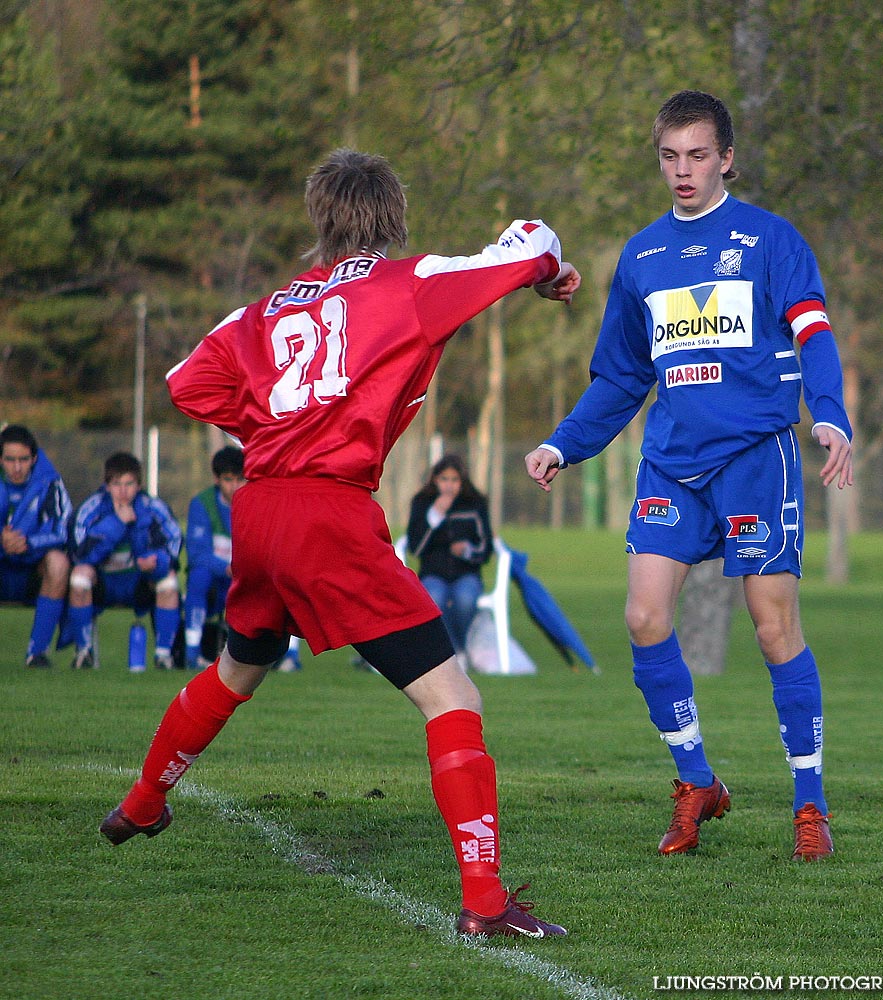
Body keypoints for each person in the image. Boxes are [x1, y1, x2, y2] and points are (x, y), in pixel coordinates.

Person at [100, 149, 580, 938]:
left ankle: (142, 803)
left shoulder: (261, 313)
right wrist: (546, 273)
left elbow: (185, 382)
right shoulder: (408, 283)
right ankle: (485, 905)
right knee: (452, 698)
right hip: (330, 511)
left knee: (234, 672)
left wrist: (270, 422)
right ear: (392, 217)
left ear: (317, 217)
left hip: (260, 513)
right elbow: (529, 238)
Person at [525, 91, 853, 863]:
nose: (682, 170)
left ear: (726, 158)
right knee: (642, 618)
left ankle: (809, 804)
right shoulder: (640, 257)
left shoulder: (770, 240)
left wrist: (828, 413)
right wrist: (562, 445)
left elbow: (814, 334)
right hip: (671, 462)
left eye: (697, 155)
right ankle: (695, 782)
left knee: (774, 630)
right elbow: (618, 379)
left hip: (754, 458)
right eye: (670, 156)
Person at [67, 451, 183, 670]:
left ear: (139, 485)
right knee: (79, 576)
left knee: (169, 580)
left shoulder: (153, 508)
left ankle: (164, 656)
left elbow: (174, 543)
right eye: (116, 484)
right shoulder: (91, 509)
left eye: (129, 484)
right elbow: (79, 553)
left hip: (139, 583)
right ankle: (83, 653)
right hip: (102, 583)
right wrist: (116, 523)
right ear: (107, 485)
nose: (122, 491)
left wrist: (155, 561)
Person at [406, 454, 493, 663]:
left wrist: (467, 551)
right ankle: (452, 653)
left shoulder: (474, 503)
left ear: (462, 482)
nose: (449, 486)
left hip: (466, 573)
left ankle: (459, 647)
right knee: (435, 598)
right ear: (435, 480)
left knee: (465, 599)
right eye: (444, 479)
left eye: (454, 480)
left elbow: (486, 547)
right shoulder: (422, 502)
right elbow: (415, 548)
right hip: (433, 573)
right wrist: (434, 516)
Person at [0, 424, 72, 668]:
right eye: (10, 460)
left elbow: (63, 531)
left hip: (32, 568)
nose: (17, 467)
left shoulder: (50, 483)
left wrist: (27, 542)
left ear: (34, 458)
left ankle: (36, 653)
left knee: (59, 563)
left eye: (23, 459)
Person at [183, 445, 245, 670]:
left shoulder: (254, 502)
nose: (235, 486)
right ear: (217, 479)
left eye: (240, 479)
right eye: (229, 479)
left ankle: (287, 658)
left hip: (245, 577)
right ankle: (192, 653)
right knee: (199, 577)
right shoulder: (202, 504)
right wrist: (227, 568)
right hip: (218, 580)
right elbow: (197, 554)